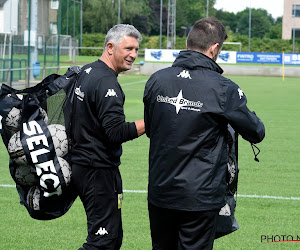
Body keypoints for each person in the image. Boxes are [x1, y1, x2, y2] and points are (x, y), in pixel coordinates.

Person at [143, 17, 265, 250]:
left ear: (188, 42)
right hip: (199, 197)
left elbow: (152, 128)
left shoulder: (156, 80)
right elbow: (256, 131)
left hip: (160, 191)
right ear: (215, 48)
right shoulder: (223, 88)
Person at [71, 24, 145, 250]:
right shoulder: (106, 81)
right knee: (103, 242)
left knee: (110, 239)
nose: (133, 55)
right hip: (98, 170)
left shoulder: (86, 71)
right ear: (110, 47)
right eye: (128, 48)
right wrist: (153, 121)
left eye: (136, 50)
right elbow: (115, 132)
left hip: (84, 165)